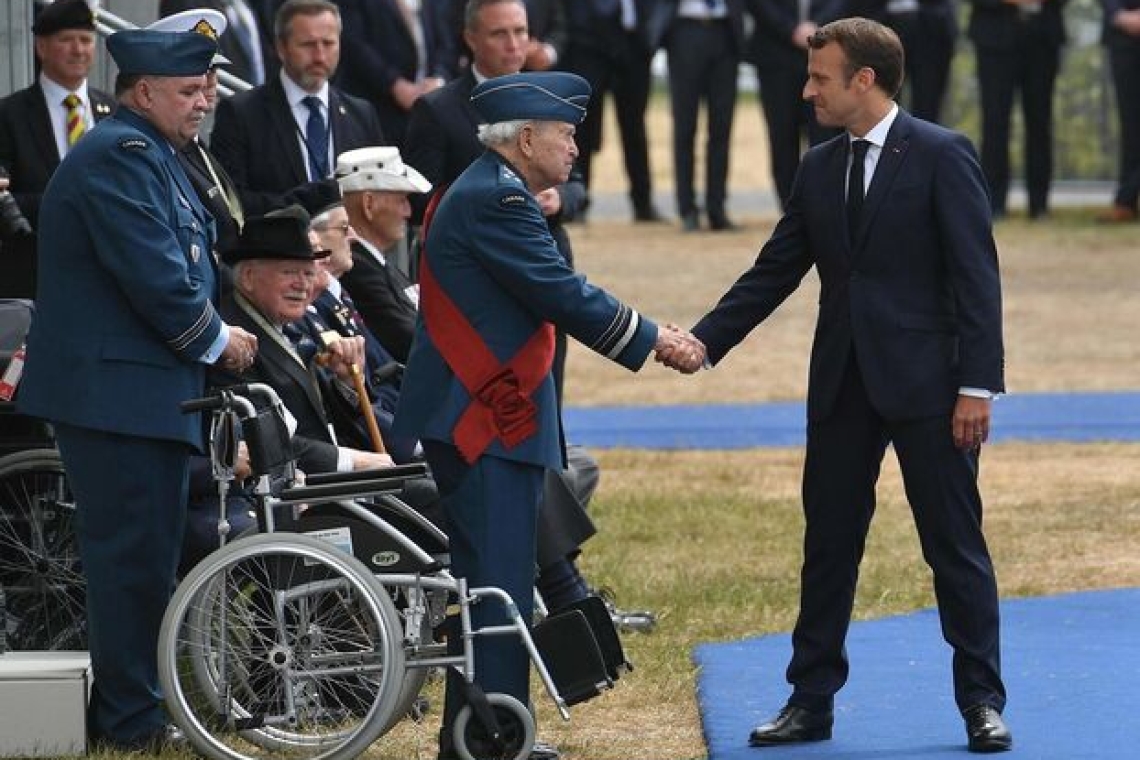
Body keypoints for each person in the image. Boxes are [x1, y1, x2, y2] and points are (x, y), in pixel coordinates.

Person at [662, 18, 1012, 754]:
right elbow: (775, 269)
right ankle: (810, 701)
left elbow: (977, 280)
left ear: (864, 80)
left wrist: (977, 386)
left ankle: (981, 701)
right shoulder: (818, 166)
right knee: (828, 547)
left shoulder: (944, 155)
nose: (807, 89)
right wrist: (704, 340)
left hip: (932, 389)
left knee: (953, 547)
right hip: (843, 387)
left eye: (820, 77)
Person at [392, 71, 688, 759]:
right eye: (567, 134)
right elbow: (562, 291)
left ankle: (481, 729)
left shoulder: (489, 190)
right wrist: (654, 337)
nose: (575, 148)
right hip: (483, 421)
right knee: (496, 583)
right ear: (526, 139)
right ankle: (495, 737)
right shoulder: (497, 198)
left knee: (493, 578)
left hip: (484, 416)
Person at [16, 27, 259, 751]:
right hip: (116, 398)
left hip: (140, 393)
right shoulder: (121, 156)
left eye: (208, 89)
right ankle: (130, 723)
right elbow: (158, 278)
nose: (204, 102)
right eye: (189, 91)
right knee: (130, 564)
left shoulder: (157, 155)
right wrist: (220, 341)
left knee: (145, 562)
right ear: (143, 92)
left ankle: (140, 709)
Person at [210, 0, 386, 217]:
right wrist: (303, 203)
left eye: (328, 43)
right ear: (281, 48)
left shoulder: (361, 114)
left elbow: (381, 193)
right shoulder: (240, 113)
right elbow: (231, 201)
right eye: (308, 45)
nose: (320, 56)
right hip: (277, 247)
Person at [0, 0, 116, 298]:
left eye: (86, 40)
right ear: (41, 47)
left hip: (106, 273)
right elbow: (5, 198)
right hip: (35, 272)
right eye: (66, 40)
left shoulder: (114, 112)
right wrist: (72, 203)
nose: (78, 50)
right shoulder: (9, 114)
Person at [149, 8, 247, 260]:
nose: (210, 81)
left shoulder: (194, 142)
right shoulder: (164, 147)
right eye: (201, 71)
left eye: (213, 71)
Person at [561, 0, 663, 222]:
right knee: (584, 130)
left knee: (635, 129)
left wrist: (651, 35)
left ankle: (642, 203)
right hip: (589, 45)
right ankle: (579, 200)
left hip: (634, 46)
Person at [967, 0, 1069, 219]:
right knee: (995, 121)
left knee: (1040, 122)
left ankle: (1039, 204)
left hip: (1043, 35)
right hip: (994, 35)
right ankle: (993, 203)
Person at [744, 0, 845, 211]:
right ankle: (790, 208)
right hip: (775, 53)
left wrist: (820, 27)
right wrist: (791, 30)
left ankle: (824, 205)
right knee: (782, 134)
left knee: (826, 134)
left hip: (828, 52)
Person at [660, 0, 747, 231]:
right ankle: (687, 208)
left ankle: (716, 208)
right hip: (684, 32)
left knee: (721, 127)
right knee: (685, 127)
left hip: (725, 32)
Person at [336, 146, 429, 363]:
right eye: (402, 200)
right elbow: (408, 341)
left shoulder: (375, 263)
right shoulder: (357, 270)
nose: (408, 211)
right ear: (369, 204)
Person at [332, 0, 457, 148]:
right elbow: (354, 45)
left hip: (427, 110)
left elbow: (447, 44)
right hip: (378, 110)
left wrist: (438, 80)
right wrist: (395, 84)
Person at [1098, 0, 1140, 223]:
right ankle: (1127, 202)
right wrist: (1118, 15)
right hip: (1124, 37)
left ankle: (1126, 197)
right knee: (1130, 125)